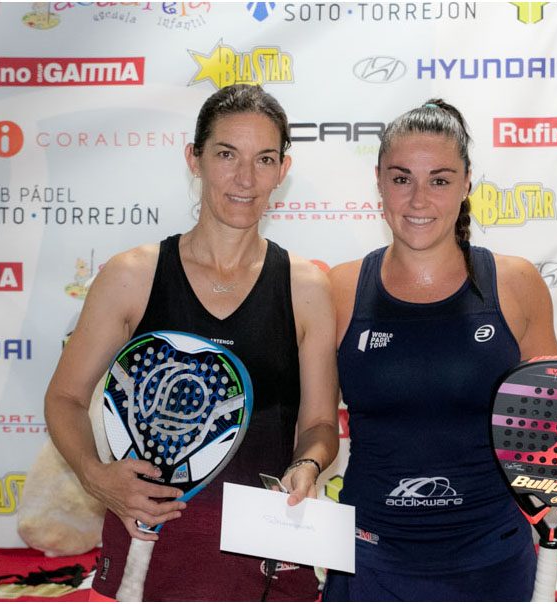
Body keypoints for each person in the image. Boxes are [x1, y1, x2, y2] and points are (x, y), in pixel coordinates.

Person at [323, 99, 557, 601]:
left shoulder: (516, 283)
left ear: (466, 183)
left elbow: (556, 432)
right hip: (369, 559)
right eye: (401, 178)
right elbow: (315, 424)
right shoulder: (339, 288)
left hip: (492, 561)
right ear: (378, 181)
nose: (418, 199)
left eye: (439, 180)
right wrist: (301, 467)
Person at [44, 84, 339, 602]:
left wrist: (307, 465)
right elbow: (64, 398)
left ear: (282, 170)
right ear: (194, 159)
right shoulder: (131, 276)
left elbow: (319, 424)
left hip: (265, 559)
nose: (245, 178)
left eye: (264, 159)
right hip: (148, 550)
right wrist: (96, 476)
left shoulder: (306, 287)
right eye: (227, 155)